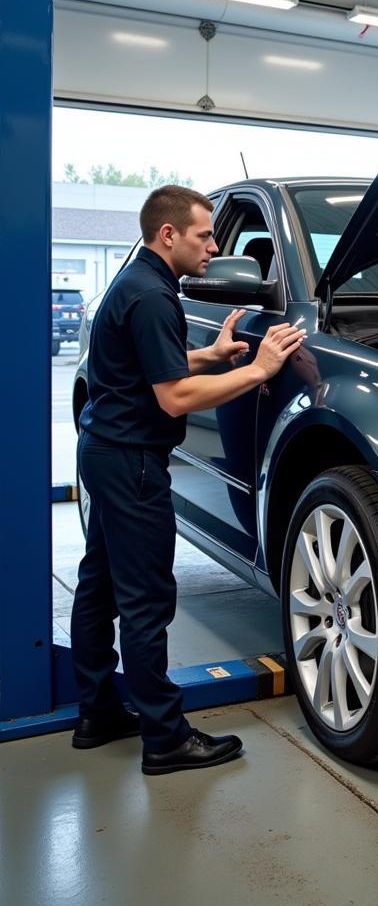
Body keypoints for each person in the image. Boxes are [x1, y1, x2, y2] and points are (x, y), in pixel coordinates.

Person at [70, 185, 305, 776]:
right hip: (134, 462)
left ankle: (98, 712)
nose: (215, 245)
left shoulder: (137, 285)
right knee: (147, 600)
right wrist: (258, 368)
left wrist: (215, 354)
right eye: (205, 235)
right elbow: (173, 398)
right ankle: (166, 739)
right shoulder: (152, 296)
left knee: (98, 586)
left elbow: (159, 365)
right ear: (168, 234)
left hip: (105, 450)